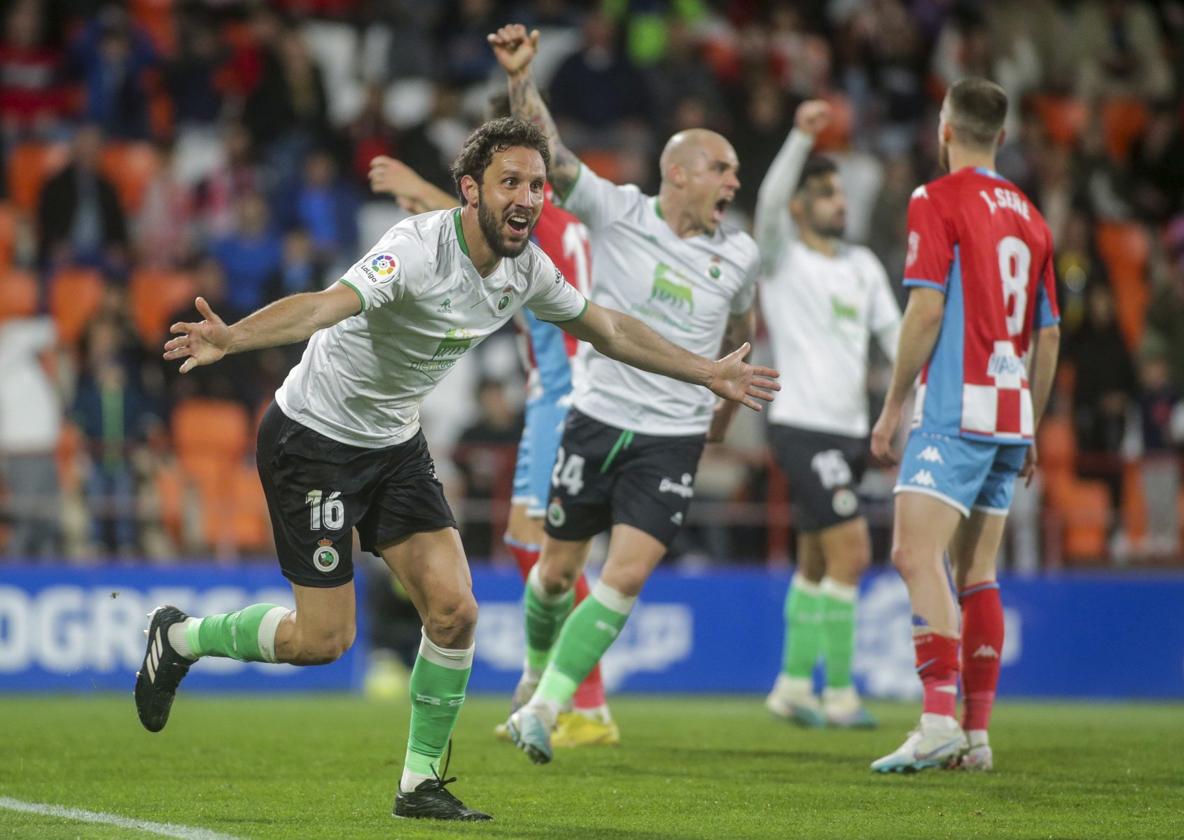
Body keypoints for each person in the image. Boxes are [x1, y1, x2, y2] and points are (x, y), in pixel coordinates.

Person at [140, 116, 778, 822]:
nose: (530, 197)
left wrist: (705, 372)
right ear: (471, 191)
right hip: (313, 439)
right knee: (322, 641)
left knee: (455, 610)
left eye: (538, 185)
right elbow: (326, 305)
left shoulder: (527, 269)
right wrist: (234, 337)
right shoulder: (416, 248)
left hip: (394, 446)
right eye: (512, 182)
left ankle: (420, 784)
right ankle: (181, 637)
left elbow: (611, 328)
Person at [490, 24, 761, 765]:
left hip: (670, 435)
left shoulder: (739, 254)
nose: (734, 184)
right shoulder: (619, 211)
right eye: (722, 170)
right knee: (553, 576)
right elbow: (551, 152)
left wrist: (724, 411)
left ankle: (547, 710)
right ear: (679, 173)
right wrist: (522, 78)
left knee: (628, 574)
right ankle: (533, 675)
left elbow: (742, 326)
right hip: (597, 417)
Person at [370, 134, 620, 749]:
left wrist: (418, 189)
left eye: (527, 181)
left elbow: (475, 225)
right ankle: (560, 693)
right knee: (530, 545)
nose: (521, 194)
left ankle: (579, 700)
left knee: (550, 555)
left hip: (564, 394)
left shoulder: (539, 229)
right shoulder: (561, 222)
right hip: (562, 394)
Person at [869, 78, 1060, 773]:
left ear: (944, 129)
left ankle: (934, 719)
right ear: (1001, 138)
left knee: (914, 557)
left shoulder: (935, 198)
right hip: (1011, 416)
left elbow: (924, 312)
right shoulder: (1033, 217)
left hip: (956, 409)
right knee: (976, 572)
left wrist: (893, 405)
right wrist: (1032, 424)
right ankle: (975, 736)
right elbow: (1049, 336)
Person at [755, 100, 900, 730]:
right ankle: (839, 693)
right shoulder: (784, 258)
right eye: (824, 194)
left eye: (840, 194)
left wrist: (910, 404)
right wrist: (798, 138)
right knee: (853, 553)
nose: (839, 204)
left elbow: (898, 342)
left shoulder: (864, 267)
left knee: (816, 561)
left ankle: (790, 687)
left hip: (850, 431)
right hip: (800, 424)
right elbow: (765, 207)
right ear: (799, 205)